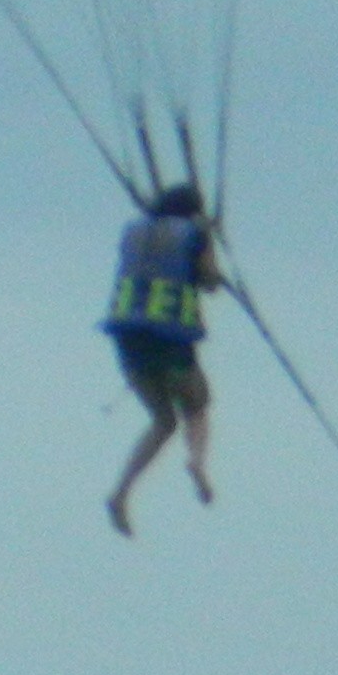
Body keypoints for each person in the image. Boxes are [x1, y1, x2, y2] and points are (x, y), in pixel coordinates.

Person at [101, 182, 219, 533]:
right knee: (196, 407)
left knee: (164, 420)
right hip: (170, 338)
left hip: (128, 341)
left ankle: (121, 492)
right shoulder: (195, 234)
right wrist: (210, 244)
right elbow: (210, 281)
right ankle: (197, 463)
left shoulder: (133, 231)